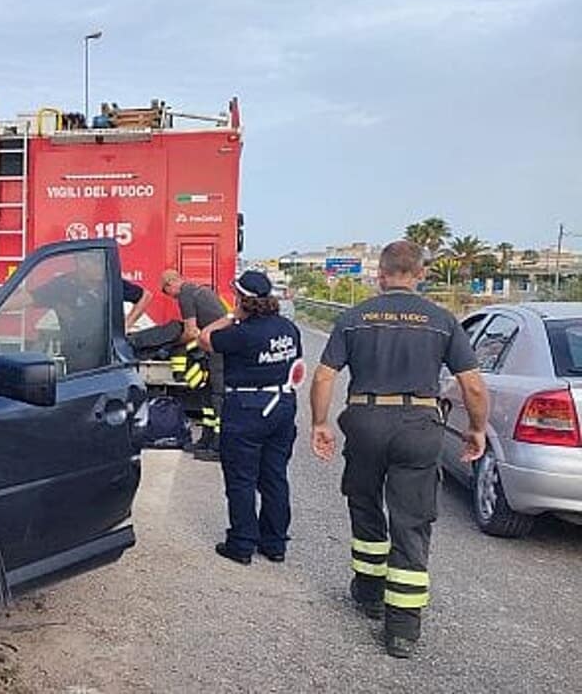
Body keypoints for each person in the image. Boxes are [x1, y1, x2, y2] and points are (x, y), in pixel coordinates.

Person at [310, 240, 489, 659]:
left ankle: (369, 593)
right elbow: (474, 385)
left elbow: (323, 377)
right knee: (411, 521)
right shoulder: (443, 320)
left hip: (366, 422)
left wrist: (320, 423)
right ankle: (402, 630)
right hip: (418, 426)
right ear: (421, 274)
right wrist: (477, 429)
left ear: (380, 274)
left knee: (366, 504)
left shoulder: (354, 318)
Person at [198, 271, 302, 565]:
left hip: (246, 407)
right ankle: (275, 543)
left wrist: (231, 316)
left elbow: (204, 338)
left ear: (242, 299)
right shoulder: (288, 329)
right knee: (274, 477)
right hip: (282, 405)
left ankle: (242, 544)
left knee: (242, 479)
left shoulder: (241, 332)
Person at [161, 270, 231, 459]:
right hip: (216, 348)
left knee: (217, 397)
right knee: (207, 396)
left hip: (218, 349)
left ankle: (218, 446)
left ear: (171, 284)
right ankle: (206, 439)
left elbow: (191, 332)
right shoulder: (199, 291)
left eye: (169, 293)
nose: (173, 298)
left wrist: (174, 343)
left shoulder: (185, 295)